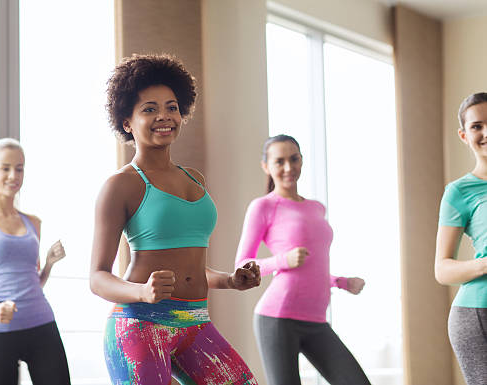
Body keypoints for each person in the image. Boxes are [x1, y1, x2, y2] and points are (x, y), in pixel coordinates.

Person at [89, 53, 261, 384]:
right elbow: (97, 278)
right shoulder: (120, 185)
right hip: (140, 325)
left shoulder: (194, 178)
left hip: (195, 322)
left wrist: (230, 280)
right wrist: (141, 292)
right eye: (149, 109)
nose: (164, 116)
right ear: (127, 121)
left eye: (171, 107)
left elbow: (188, 264)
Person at [235, 134, 370, 385]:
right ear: (266, 166)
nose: (289, 167)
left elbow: (313, 268)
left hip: (316, 320)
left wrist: (341, 282)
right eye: (280, 161)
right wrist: (282, 260)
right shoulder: (263, 206)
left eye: (294, 159)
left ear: (302, 160)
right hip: (277, 318)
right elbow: (241, 265)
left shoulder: (316, 207)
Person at [0, 138, 70, 385]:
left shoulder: (34, 222)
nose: (13, 175)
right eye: (5, 168)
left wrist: (49, 263)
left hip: (42, 324)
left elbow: (33, 282)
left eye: (19, 168)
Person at [435, 92, 487, 385]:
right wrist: (484, 265)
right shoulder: (459, 192)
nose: (486, 132)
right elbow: (442, 269)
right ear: (464, 135)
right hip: (478, 313)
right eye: (477, 126)